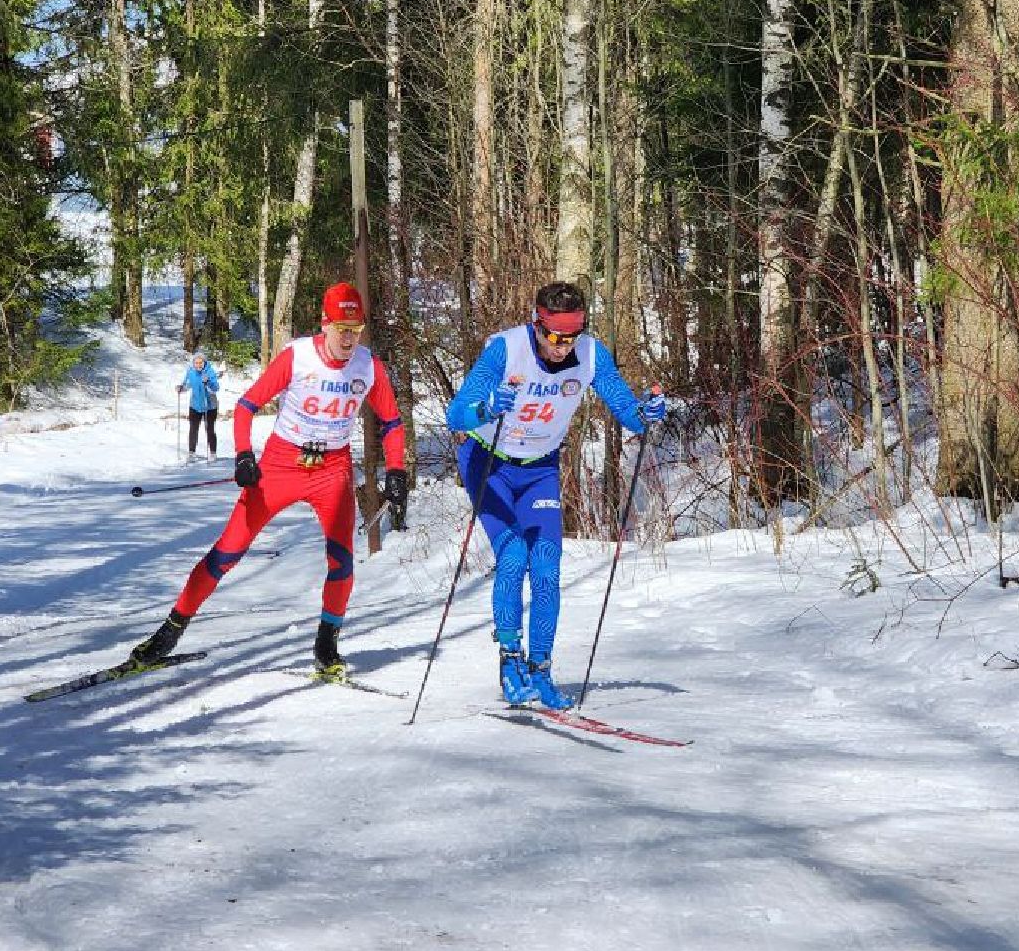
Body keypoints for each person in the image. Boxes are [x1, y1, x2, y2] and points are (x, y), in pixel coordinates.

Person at [128, 283, 410, 679]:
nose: (348, 339)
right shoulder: (298, 357)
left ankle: (326, 645)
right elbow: (246, 406)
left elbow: (392, 423)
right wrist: (244, 455)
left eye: (356, 330)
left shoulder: (368, 366)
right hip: (282, 463)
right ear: (324, 324)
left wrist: (396, 470)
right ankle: (167, 635)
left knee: (342, 561)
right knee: (228, 552)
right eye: (341, 329)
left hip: (332, 469)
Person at [444, 281, 667, 709]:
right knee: (513, 556)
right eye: (554, 337)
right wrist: (487, 408)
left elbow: (628, 412)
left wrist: (647, 412)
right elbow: (456, 413)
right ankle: (510, 661)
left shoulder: (592, 355)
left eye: (572, 337)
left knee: (546, 566)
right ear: (537, 324)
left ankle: (541, 669)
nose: (563, 347)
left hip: (540, 467)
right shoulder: (506, 350)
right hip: (488, 462)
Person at [179, 352, 221, 460]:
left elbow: (216, 388)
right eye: (196, 363)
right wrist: (181, 388)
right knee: (193, 429)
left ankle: (213, 452)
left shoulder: (209, 371)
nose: (198, 365)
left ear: (204, 362)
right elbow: (186, 384)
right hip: (195, 405)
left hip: (209, 406)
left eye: (200, 363)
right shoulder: (190, 372)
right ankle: (191, 452)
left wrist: (208, 382)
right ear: (193, 363)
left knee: (210, 429)